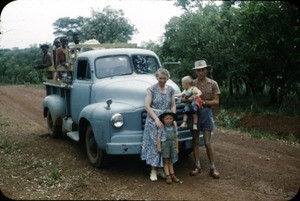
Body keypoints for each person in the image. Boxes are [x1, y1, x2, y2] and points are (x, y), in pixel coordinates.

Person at [184, 60, 221, 179]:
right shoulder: (191, 84)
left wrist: (203, 102)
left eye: (202, 70)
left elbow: (216, 101)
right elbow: (184, 98)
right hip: (194, 114)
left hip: (206, 113)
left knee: (207, 142)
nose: (201, 72)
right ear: (196, 71)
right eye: (198, 70)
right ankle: (197, 166)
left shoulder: (213, 83)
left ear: (206, 70)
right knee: (195, 141)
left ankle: (212, 167)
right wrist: (190, 100)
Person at [141, 68, 177, 181]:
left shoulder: (170, 90)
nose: (162, 80)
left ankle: (163, 170)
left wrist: (173, 118)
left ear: (167, 78)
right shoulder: (151, 89)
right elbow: (146, 106)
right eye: (160, 78)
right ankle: (153, 170)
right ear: (157, 78)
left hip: (167, 120)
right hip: (154, 120)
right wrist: (156, 119)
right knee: (154, 145)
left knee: (166, 143)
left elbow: (173, 105)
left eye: (164, 78)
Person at [157, 110, 180, 184]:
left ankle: (173, 175)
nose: (169, 120)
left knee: (171, 161)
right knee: (166, 161)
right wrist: (159, 147)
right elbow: (158, 138)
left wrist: (176, 147)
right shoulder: (162, 128)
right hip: (165, 146)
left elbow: (176, 138)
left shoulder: (174, 128)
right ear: (163, 120)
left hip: (172, 145)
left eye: (170, 118)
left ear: (173, 119)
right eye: (167, 119)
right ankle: (168, 176)